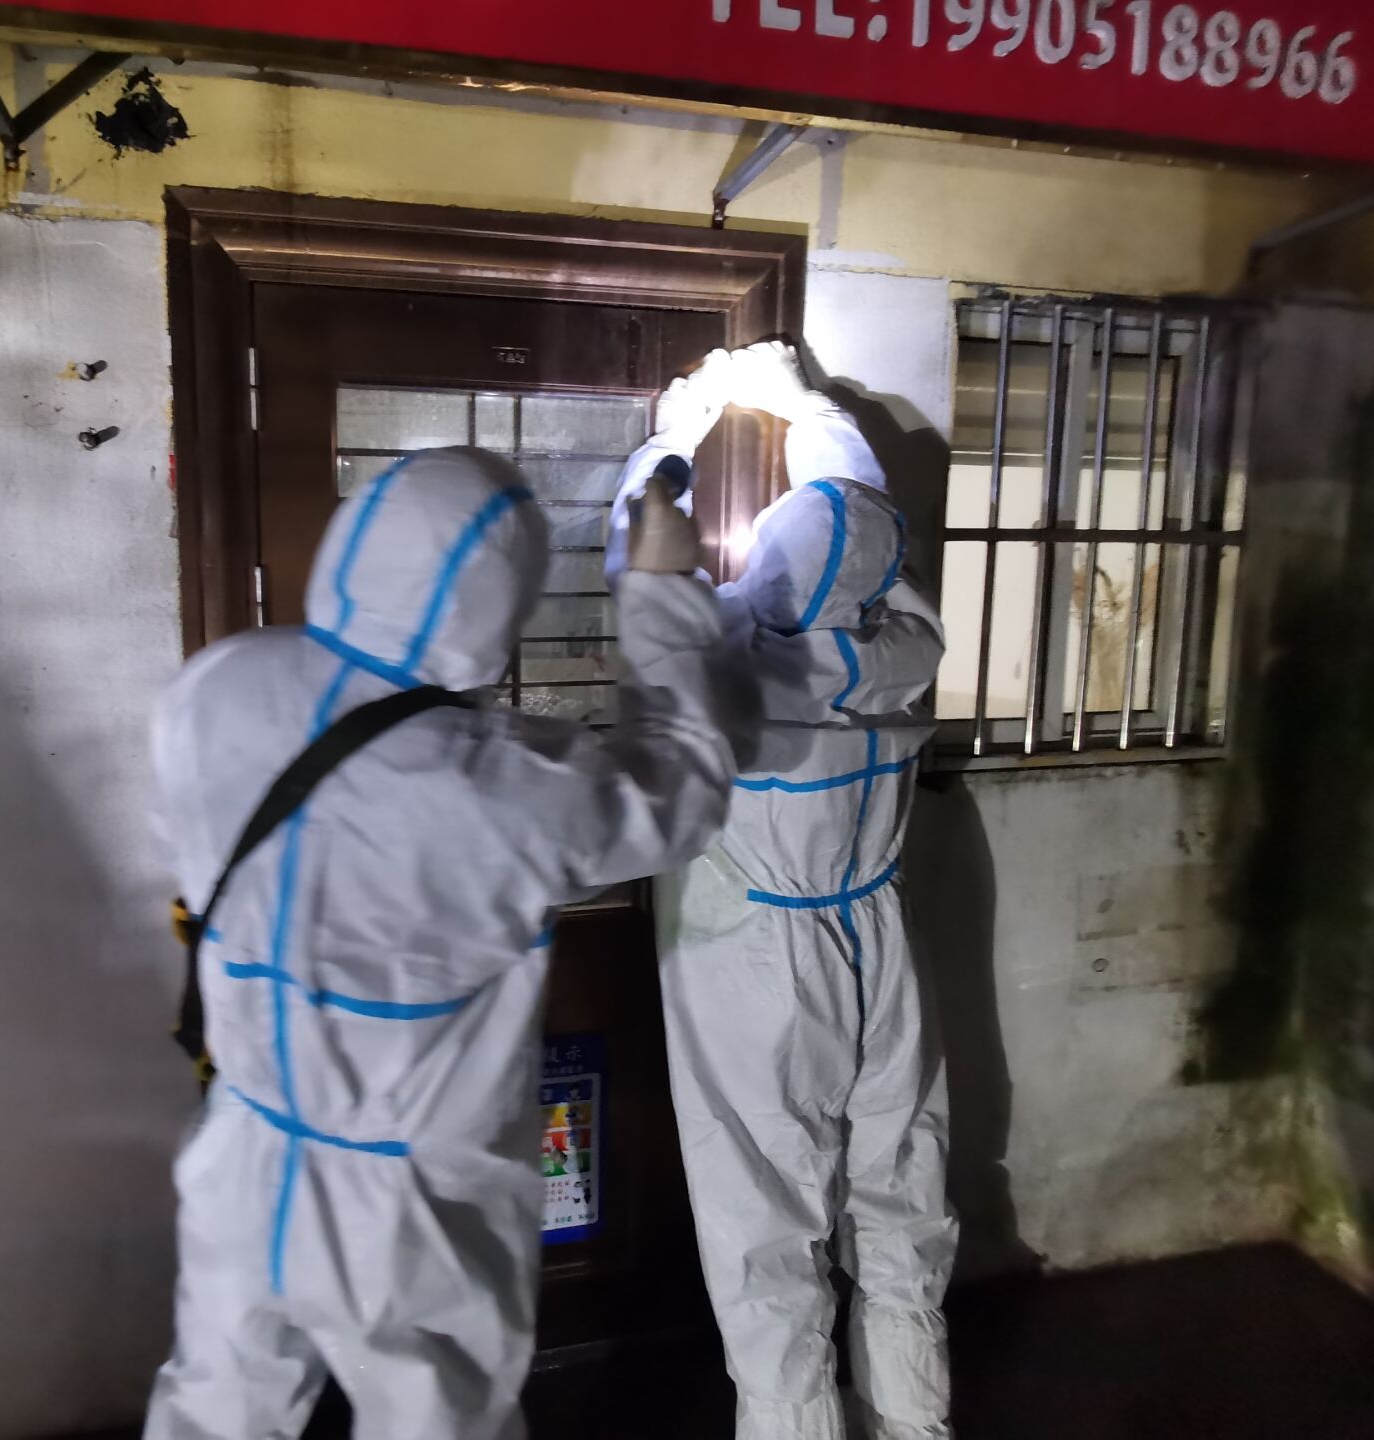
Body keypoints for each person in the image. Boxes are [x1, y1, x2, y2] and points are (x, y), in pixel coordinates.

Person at [143, 432, 735, 1440]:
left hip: (242, 1148)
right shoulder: (501, 786)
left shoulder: (219, 684)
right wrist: (662, 590)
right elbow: (683, 789)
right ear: (499, 604)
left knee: (212, 1409)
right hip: (409, 1204)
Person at [609, 343, 955, 1440]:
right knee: (903, 1203)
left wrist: (672, 437)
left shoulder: (721, 666)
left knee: (764, 1229)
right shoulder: (908, 653)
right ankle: (915, 1424)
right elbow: (862, 529)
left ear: (765, 562)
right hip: (881, 946)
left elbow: (642, 569)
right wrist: (809, 410)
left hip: (755, 962)